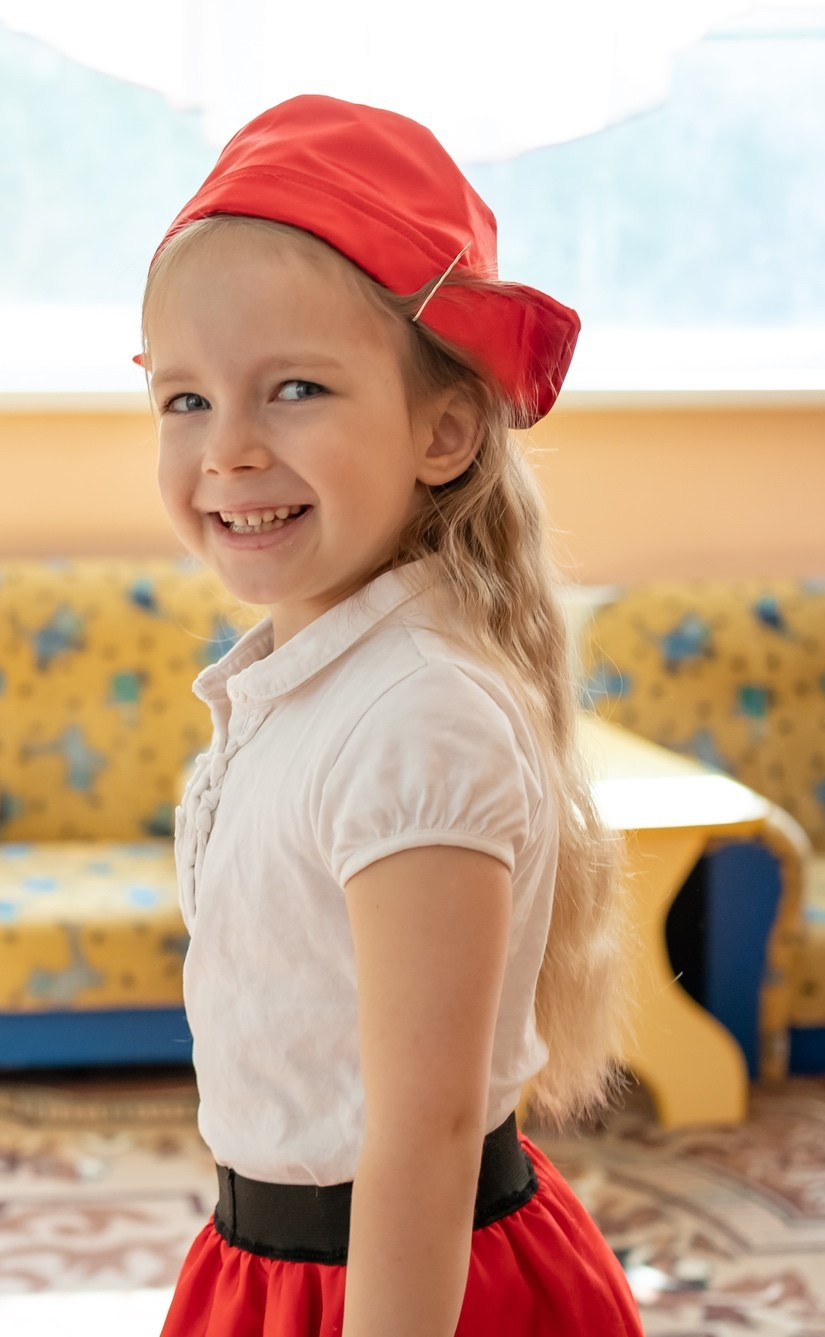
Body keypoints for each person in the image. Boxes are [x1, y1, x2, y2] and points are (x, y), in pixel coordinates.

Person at [141, 96, 642, 1335]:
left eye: (294, 387)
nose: (227, 450)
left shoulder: (416, 714)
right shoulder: (310, 675)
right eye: (182, 398)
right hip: (275, 1266)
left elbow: (416, 1136)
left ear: (444, 428)